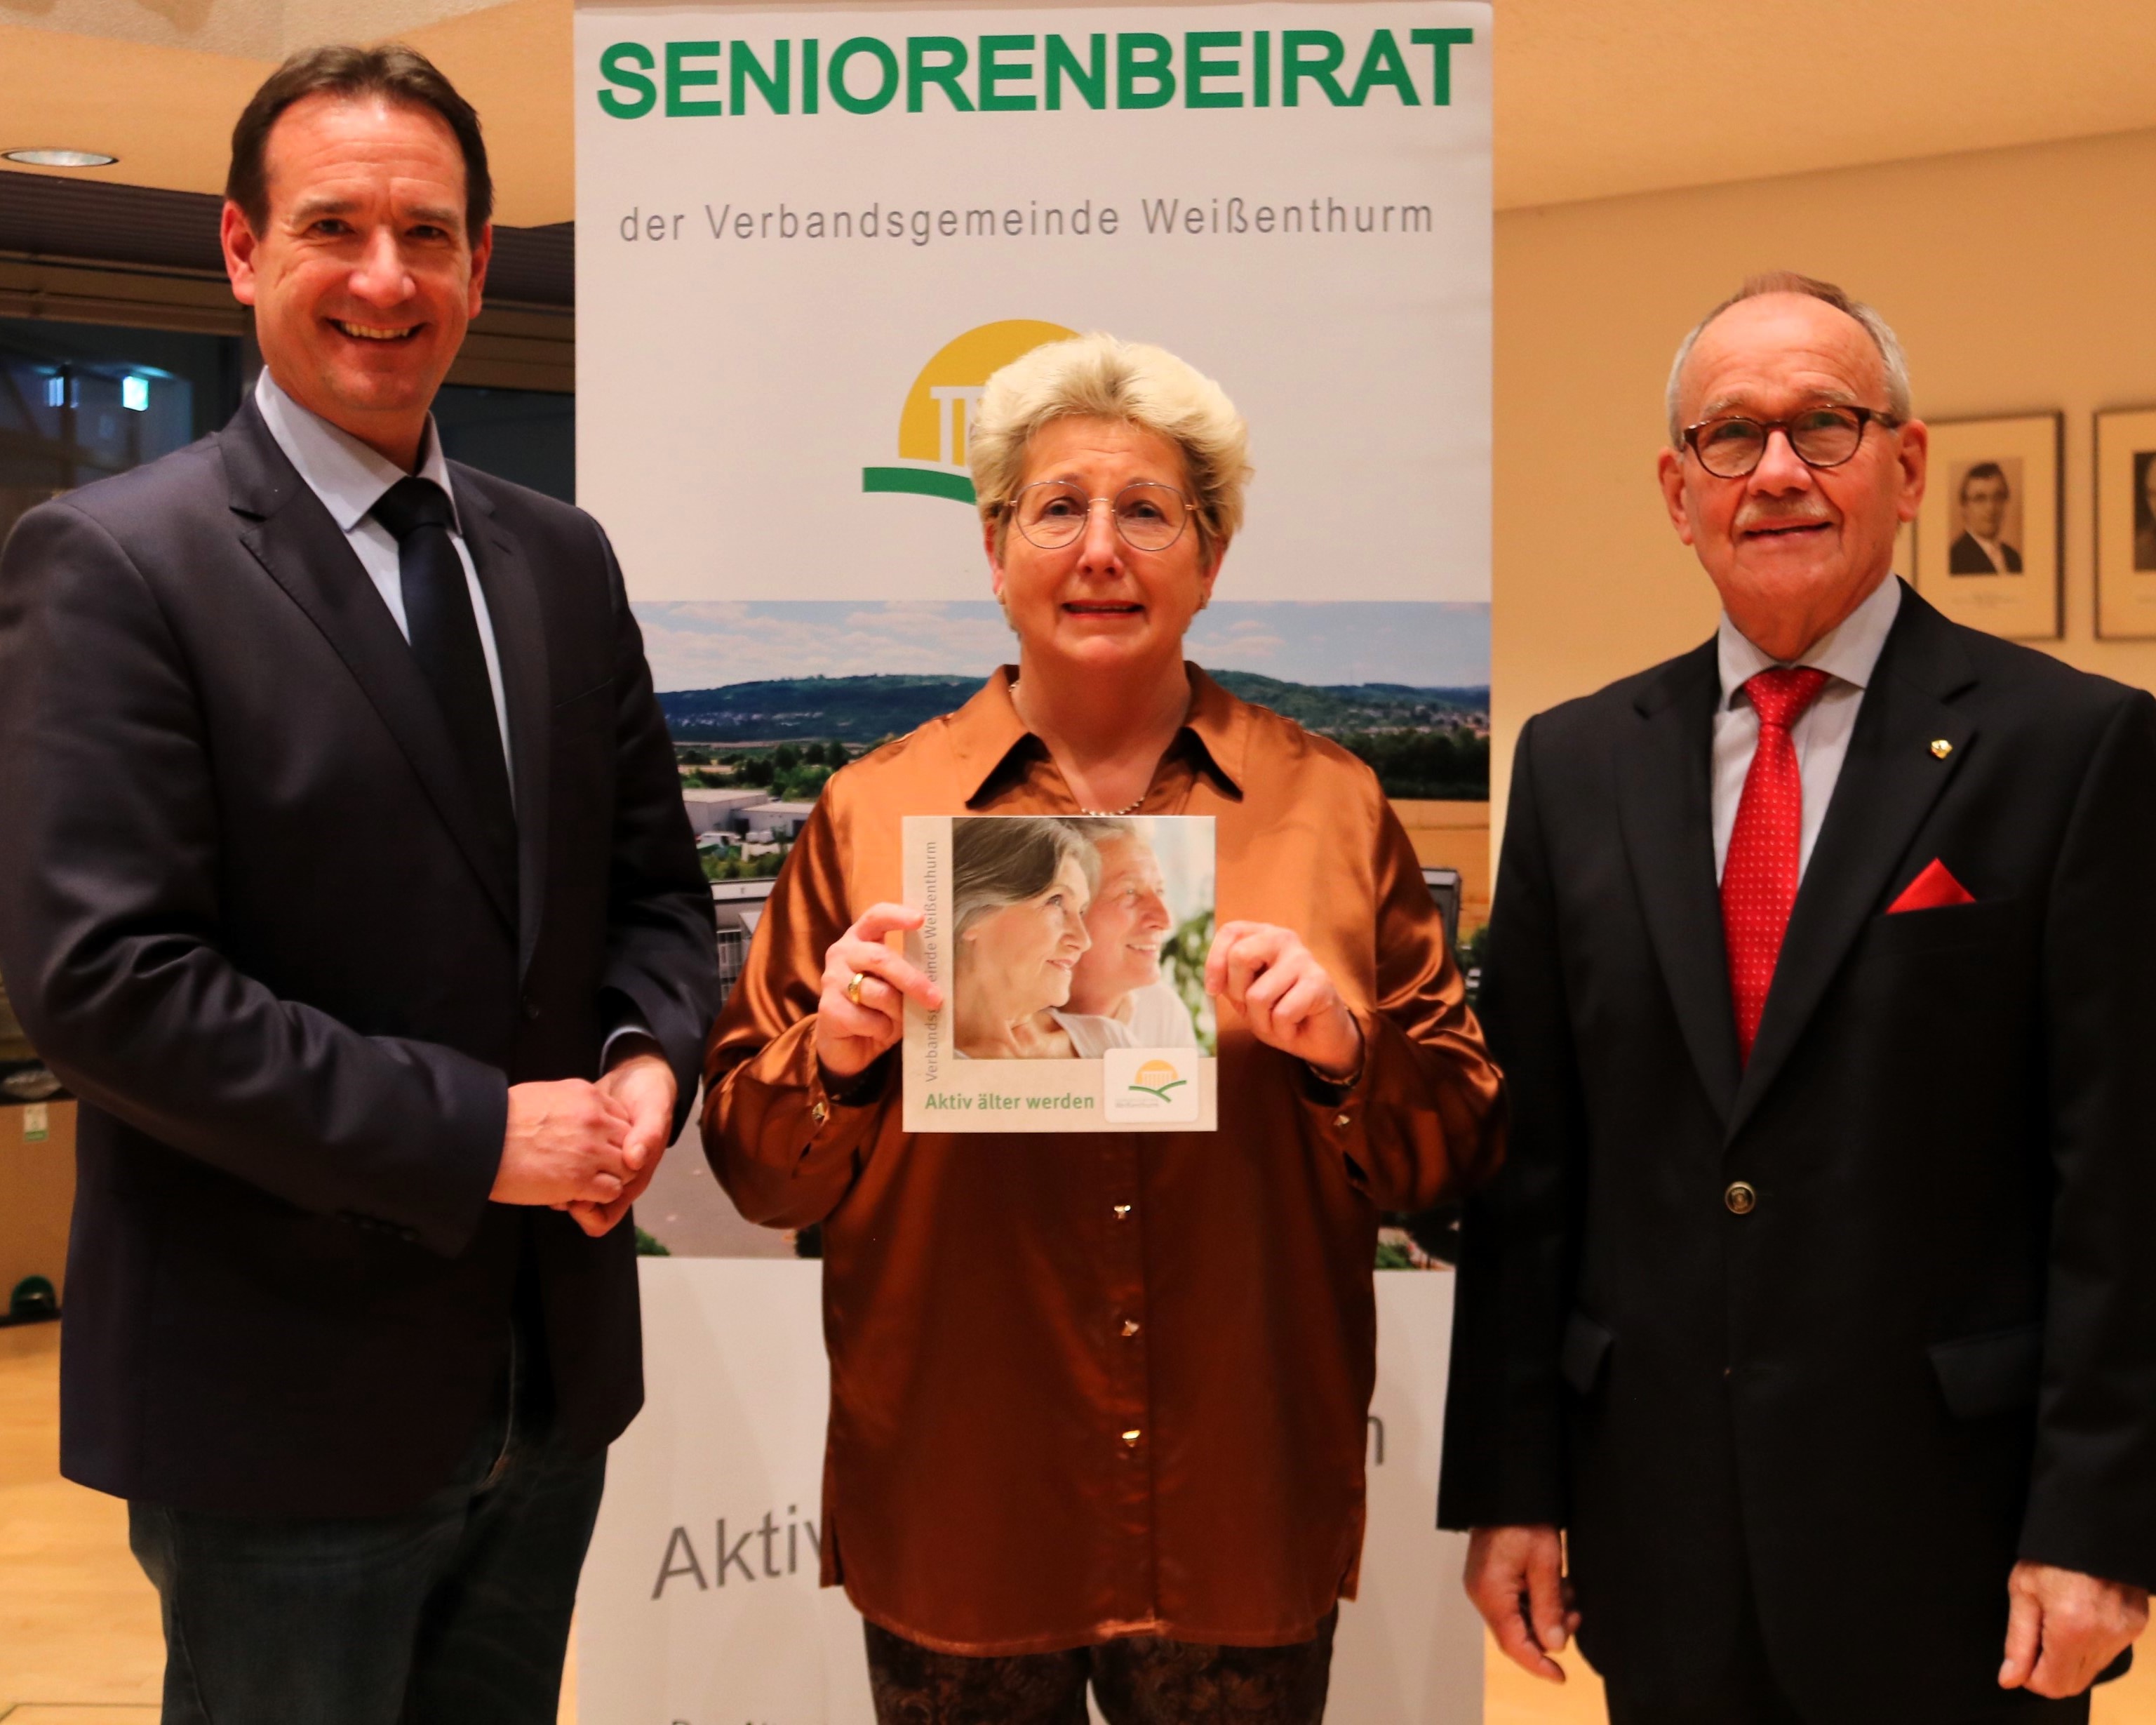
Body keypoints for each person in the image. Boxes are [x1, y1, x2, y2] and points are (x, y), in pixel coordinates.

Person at [0, 45, 719, 1724]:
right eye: (336, 228)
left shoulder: (558, 554)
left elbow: (658, 897)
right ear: (244, 251)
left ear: (481, 259)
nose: (387, 278)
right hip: (278, 1399)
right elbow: (106, 984)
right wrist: (485, 1134)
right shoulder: (115, 564)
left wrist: (643, 1059)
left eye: (431, 233)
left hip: (550, 1384)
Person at [705, 332, 1503, 1724]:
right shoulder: (870, 814)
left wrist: (1345, 1058)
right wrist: (826, 1058)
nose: (1101, 549)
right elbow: (762, 1167)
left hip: (1236, 1489)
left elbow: (1455, 1150)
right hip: (960, 1486)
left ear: (1210, 555)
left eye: (1148, 510)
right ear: (996, 545)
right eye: (1057, 507)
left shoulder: (1329, 805)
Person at [1439, 271, 2156, 1724]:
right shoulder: (1577, 763)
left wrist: (2099, 1524)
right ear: (1675, 487)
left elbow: (2123, 1181)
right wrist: (1511, 1484)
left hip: (1954, 1544)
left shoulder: (2075, 748)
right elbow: (1535, 1172)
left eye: (1823, 426)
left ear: (1905, 465)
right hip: (1659, 1535)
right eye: (1730, 436)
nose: (1775, 471)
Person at [1050, 815, 1199, 1057]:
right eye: (1130, 892)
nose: (1164, 921)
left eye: (1159, 890)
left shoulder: (1161, 1010)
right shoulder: (1005, 1027)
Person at [951, 815, 1094, 1059]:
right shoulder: (920, 1065)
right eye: (1056, 901)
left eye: (1081, 911)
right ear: (974, 914)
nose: (1083, 941)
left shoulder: (1109, 1043)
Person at [1949, 460, 2023, 572]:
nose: (1991, 508)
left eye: (1998, 497)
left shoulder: (2014, 557)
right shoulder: (1954, 559)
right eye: (1980, 498)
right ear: (1964, 507)